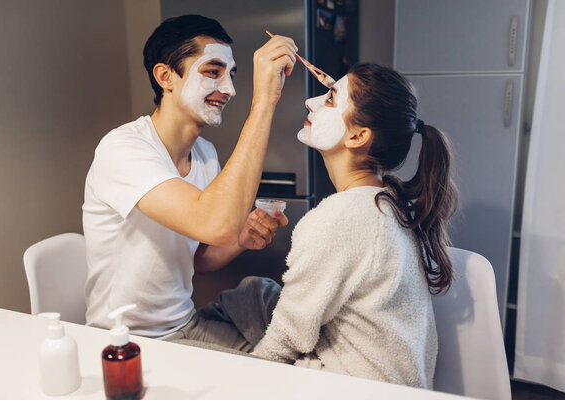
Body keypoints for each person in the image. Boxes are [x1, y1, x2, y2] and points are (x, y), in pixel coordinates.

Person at [82, 15, 297, 350]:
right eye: (213, 71)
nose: (229, 89)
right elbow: (214, 221)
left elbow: (197, 258)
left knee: (287, 357)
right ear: (166, 76)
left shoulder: (205, 153)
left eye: (231, 74)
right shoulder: (123, 149)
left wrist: (241, 238)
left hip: (185, 324)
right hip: (128, 343)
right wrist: (264, 102)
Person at [250, 63, 459, 388]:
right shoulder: (390, 201)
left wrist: (237, 381)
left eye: (331, 99)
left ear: (358, 136)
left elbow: (286, 339)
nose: (310, 102)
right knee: (251, 293)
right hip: (397, 386)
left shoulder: (342, 218)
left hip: (350, 388)